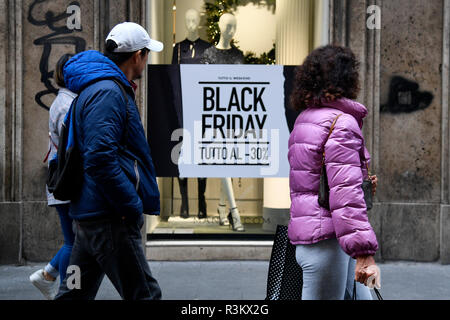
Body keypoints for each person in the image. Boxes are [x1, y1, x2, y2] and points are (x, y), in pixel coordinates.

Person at [55, 22, 163, 300]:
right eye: (147, 53)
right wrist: (131, 205)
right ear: (137, 56)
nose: (147, 60)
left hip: (91, 219)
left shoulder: (99, 88)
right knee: (145, 295)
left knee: (72, 295)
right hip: (109, 219)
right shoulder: (108, 92)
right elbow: (100, 159)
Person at [288, 45, 379, 300]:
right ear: (347, 78)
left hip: (318, 238)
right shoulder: (342, 124)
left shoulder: (306, 118)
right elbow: (346, 195)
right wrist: (364, 252)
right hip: (329, 242)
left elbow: (311, 181)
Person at [29, 54, 76, 300]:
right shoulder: (68, 104)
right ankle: (63, 289)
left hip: (61, 181)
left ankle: (48, 276)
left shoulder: (64, 100)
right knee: (73, 241)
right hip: (65, 182)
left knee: (75, 239)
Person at [201, 13, 245, 231]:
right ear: (220, 26)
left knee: (226, 162)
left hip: (234, 115)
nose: (231, 30)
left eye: (234, 26)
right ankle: (234, 213)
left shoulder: (238, 55)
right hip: (214, 115)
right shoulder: (208, 54)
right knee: (224, 162)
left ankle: (220, 208)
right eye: (227, 26)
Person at [172, 8, 211, 219]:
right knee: (183, 157)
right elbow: (171, 78)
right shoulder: (178, 49)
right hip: (182, 108)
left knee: (201, 157)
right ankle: (185, 202)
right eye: (187, 20)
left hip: (202, 109)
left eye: (194, 20)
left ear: (199, 22)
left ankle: (202, 201)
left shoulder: (208, 48)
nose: (190, 23)